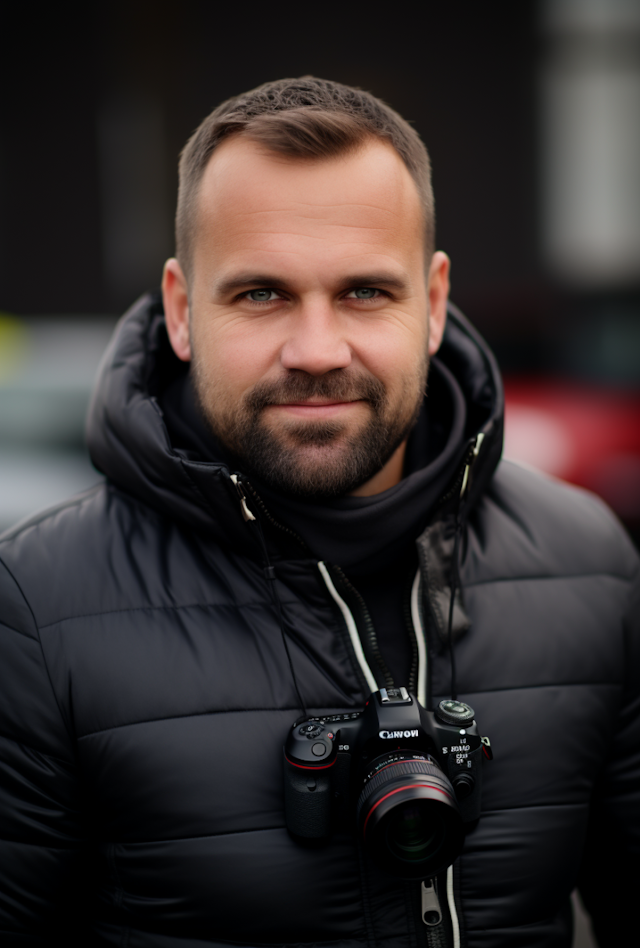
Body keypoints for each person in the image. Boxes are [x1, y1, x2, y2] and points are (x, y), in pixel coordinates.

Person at [0, 77, 638, 948]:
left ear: (435, 302)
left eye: (365, 292)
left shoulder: (591, 564)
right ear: (183, 311)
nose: (316, 351)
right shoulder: (33, 606)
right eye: (261, 294)